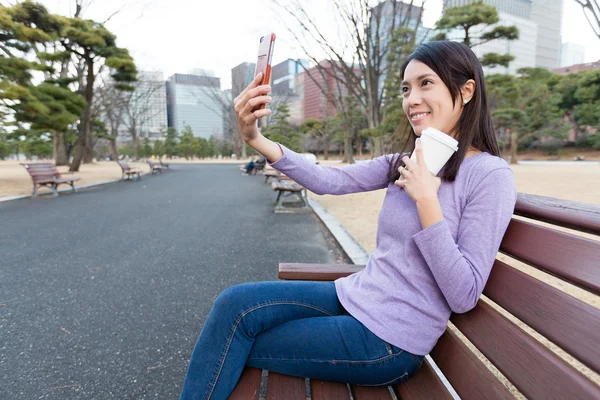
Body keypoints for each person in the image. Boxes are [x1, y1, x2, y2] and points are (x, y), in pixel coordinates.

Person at [179, 41, 517, 400]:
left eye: (425, 84)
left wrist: (427, 200)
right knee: (234, 305)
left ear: (466, 91)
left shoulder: (489, 176)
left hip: (389, 340)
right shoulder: (403, 161)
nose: (411, 99)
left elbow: (464, 294)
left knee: (235, 340)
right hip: (355, 297)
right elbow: (330, 180)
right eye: (406, 89)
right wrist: (255, 138)